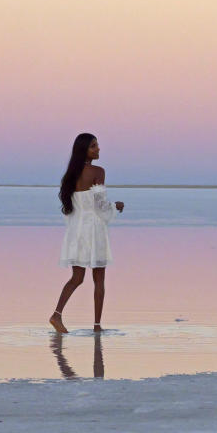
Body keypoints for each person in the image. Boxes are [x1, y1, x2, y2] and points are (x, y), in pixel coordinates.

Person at [50, 133, 124, 333]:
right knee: (99, 279)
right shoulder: (98, 171)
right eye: (93, 146)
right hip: (94, 230)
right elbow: (100, 207)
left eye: (97, 145)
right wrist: (116, 206)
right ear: (84, 149)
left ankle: (56, 315)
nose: (98, 149)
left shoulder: (70, 175)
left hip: (76, 230)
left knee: (77, 278)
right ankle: (97, 326)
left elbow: (71, 208)